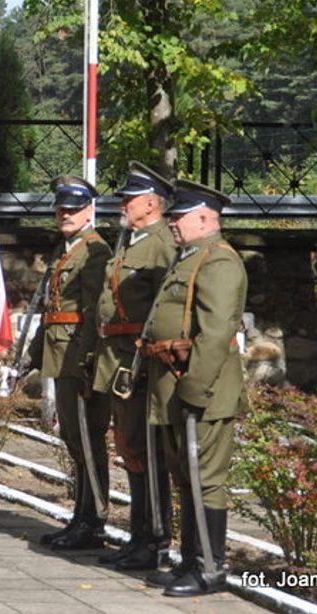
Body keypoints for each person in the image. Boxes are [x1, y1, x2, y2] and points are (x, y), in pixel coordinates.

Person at [141, 179, 247, 597]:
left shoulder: (218, 262)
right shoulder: (189, 258)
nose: (172, 223)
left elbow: (216, 331)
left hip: (200, 387)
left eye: (179, 216)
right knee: (185, 476)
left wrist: (194, 390)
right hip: (175, 382)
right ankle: (189, 560)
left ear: (206, 218)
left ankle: (209, 568)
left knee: (206, 478)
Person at [91, 162, 177, 571]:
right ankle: (139, 535)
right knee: (130, 449)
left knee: (146, 451)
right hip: (120, 359)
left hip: (139, 360)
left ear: (152, 202)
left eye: (130, 198)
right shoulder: (134, 239)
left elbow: (166, 306)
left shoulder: (162, 243)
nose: (123, 203)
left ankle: (155, 539)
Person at [38, 176, 112, 551]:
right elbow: (51, 310)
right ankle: (81, 518)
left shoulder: (95, 251)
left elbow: (94, 312)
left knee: (88, 439)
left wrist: (88, 361)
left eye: (72, 209)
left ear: (89, 210)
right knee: (74, 439)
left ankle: (94, 522)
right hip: (61, 353)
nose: (64, 214)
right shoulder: (67, 248)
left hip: (77, 356)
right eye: (60, 208)